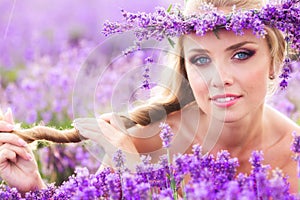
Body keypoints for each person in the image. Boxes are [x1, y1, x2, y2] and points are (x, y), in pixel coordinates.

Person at [0, 0, 299, 194]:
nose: (220, 78)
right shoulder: (145, 140)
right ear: (185, 67)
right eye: (202, 60)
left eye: (242, 54)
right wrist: (33, 188)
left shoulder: (294, 156)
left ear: (274, 61)